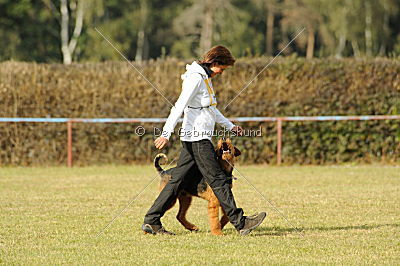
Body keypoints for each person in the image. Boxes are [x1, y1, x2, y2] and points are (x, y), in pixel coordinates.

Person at [142, 45, 266, 236]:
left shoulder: (204, 78)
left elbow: (211, 110)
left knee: (176, 181)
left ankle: (151, 221)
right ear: (214, 63)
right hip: (198, 139)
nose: (221, 73)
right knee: (218, 179)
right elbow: (179, 106)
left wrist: (230, 126)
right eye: (222, 69)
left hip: (196, 138)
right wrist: (166, 133)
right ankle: (241, 223)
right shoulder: (195, 78)